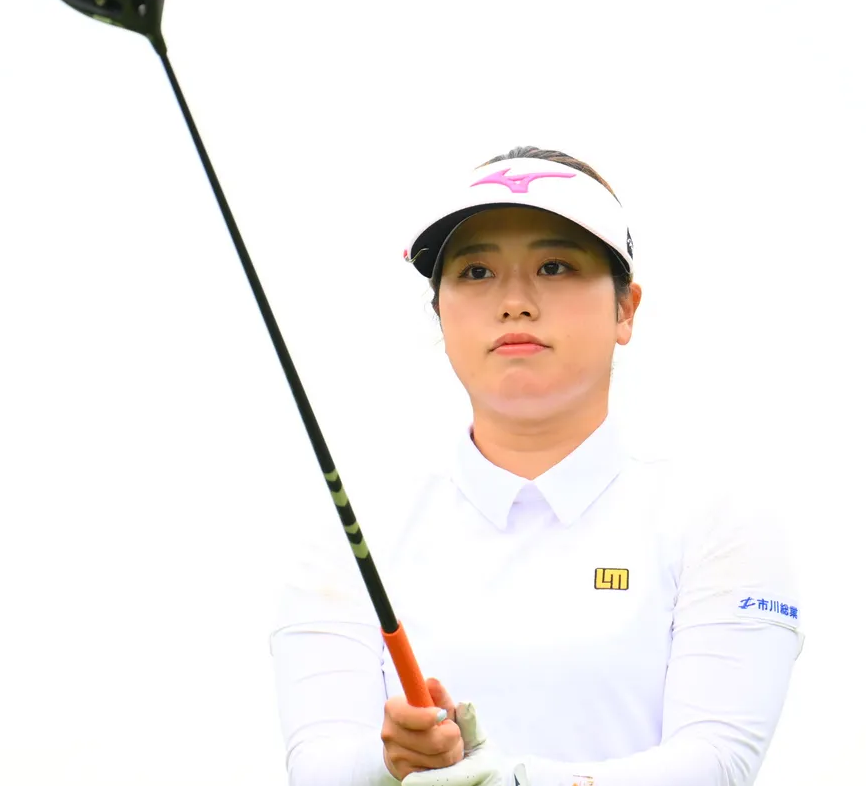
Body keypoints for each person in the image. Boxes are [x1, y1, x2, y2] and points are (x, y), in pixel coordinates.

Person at [269, 147, 805, 786]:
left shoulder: (716, 520)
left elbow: (717, 763)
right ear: (439, 312)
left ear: (625, 309)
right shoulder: (354, 531)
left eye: (555, 266)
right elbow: (317, 767)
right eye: (476, 272)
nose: (515, 302)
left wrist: (514, 779)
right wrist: (389, 761)